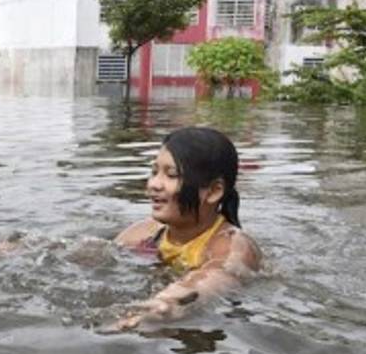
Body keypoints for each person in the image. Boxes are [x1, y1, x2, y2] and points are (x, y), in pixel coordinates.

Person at [110, 126, 261, 329]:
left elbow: (216, 277)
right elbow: (103, 252)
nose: (154, 184)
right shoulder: (146, 232)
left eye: (171, 175)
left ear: (214, 191)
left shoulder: (232, 246)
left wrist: (169, 302)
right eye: (154, 172)